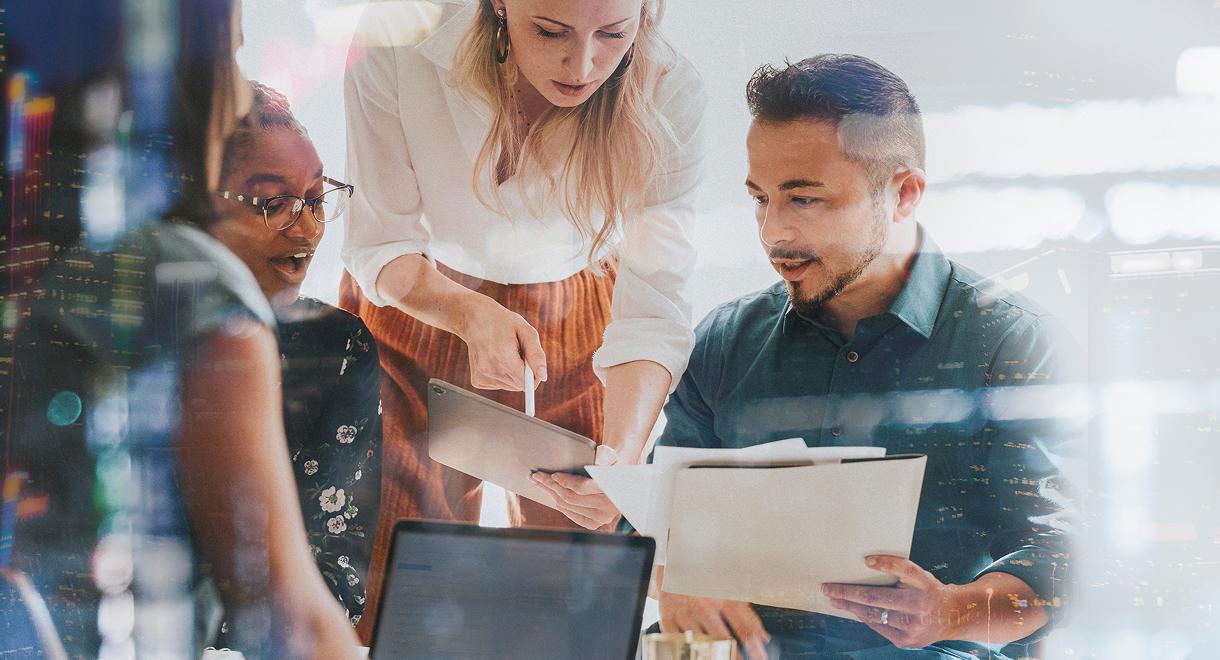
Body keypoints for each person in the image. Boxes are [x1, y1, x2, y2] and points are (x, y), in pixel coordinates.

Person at [651, 55, 1077, 660]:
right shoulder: (724, 340)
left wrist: (948, 611)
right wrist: (672, 580)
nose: (773, 233)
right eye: (760, 199)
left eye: (805, 201)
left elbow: (1063, 560)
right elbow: (656, 515)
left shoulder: (1012, 342)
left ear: (902, 193)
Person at [6, 2, 362, 657]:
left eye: (315, 200)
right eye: (230, 53)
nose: (303, 225)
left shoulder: (32, 259)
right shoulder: (186, 288)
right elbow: (295, 626)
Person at [341, 0, 705, 636]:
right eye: (550, 30)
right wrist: (465, 311)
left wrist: (621, 460)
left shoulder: (673, 90)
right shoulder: (397, 34)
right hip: (416, 300)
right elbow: (379, 245)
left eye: (613, 34)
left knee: (579, 595)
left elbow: (653, 306)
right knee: (393, 583)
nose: (582, 63)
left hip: (586, 318)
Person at [211, 80, 382, 630]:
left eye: (314, 199)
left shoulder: (337, 349)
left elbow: (337, 579)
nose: (307, 229)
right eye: (273, 203)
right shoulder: (107, 332)